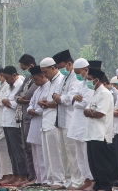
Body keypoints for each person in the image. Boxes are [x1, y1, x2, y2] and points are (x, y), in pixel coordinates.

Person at [84, 66, 117, 191]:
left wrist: (90, 112)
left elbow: (100, 114)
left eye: (89, 79)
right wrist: (91, 112)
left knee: (102, 163)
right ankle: (97, 184)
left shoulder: (105, 93)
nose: (87, 81)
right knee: (93, 162)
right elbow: (86, 110)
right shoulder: (94, 93)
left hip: (100, 133)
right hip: (91, 132)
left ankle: (105, 185)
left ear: (96, 80)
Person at [52, 50, 81, 189]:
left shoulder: (76, 77)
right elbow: (55, 93)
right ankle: (68, 180)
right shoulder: (64, 78)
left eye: (62, 66)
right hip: (61, 120)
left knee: (72, 153)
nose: (61, 69)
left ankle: (76, 181)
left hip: (71, 120)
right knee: (63, 152)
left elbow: (72, 97)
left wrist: (60, 98)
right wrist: (58, 97)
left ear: (70, 64)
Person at [66, 58, 94, 190]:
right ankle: (85, 179)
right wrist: (75, 99)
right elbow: (73, 99)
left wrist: (75, 100)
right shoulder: (80, 84)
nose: (77, 75)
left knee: (86, 154)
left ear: (86, 70)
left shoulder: (90, 84)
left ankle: (91, 180)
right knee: (79, 155)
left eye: (78, 72)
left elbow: (84, 103)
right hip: (76, 124)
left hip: (85, 124)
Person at [39, 57, 65, 189]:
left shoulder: (61, 80)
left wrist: (48, 103)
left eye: (46, 71)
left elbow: (60, 101)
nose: (44, 75)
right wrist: (42, 102)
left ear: (53, 68)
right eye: (42, 72)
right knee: (47, 152)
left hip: (55, 120)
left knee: (56, 152)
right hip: (46, 120)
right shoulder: (49, 82)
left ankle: (59, 179)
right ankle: (50, 179)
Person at [1, 65, 29, 185]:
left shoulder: (20, 83)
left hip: (15, 122)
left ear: (14, 75)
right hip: (6, 121)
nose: (6, 80)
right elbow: (5, 99)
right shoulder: (10, 85)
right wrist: (5, 101)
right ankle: (16, 174)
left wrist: (8, 103)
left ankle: (23, 175)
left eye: (7, 78)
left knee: (19, 151)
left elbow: (19, 102)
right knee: (11, 151)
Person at [16, 54, 38, 186]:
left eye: (24, 68)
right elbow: (17, 95)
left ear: (31, 65)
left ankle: (34, 176)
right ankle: (31, 176)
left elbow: (29, 94)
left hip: (31, 118)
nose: (23, 70)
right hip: (23, 116)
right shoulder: (27, 79)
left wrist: (21, 98)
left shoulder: (36, 78)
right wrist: (20, 98)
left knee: (31, 148)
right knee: (26, 148)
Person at [26, 65, 49, 185]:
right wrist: (30, 110)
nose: (35, 81)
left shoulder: (48, 88)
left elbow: (43, 107)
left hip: (41, 121)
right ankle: (38, 178)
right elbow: (31, 104)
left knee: (42, 154)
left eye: (36, 79)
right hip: (34, 122)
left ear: (43, 76)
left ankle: (45, 179)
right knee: (35, 153)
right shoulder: (37, 90)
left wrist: (36, 111)